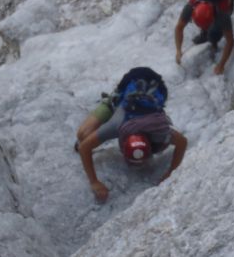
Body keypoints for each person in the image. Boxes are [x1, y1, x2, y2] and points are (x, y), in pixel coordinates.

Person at [75, 67, 187, 203]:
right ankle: (110, 102)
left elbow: (183, 142)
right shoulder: (115, 126)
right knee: (82, 135)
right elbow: (83, 148)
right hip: (124, 95)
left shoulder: (159, 132)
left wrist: (171, 172)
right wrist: (94, 182)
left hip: (152, 91)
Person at [174, 0, 234, 75]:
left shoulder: (222, 12)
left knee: (213, 34)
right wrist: (178, 51)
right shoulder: (192, 5)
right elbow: (179, 27)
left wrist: (221, 65)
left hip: (223, 9)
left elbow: (230, 41)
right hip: (211, 13)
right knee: (207, 35)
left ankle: (213, 39)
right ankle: (206, 33)